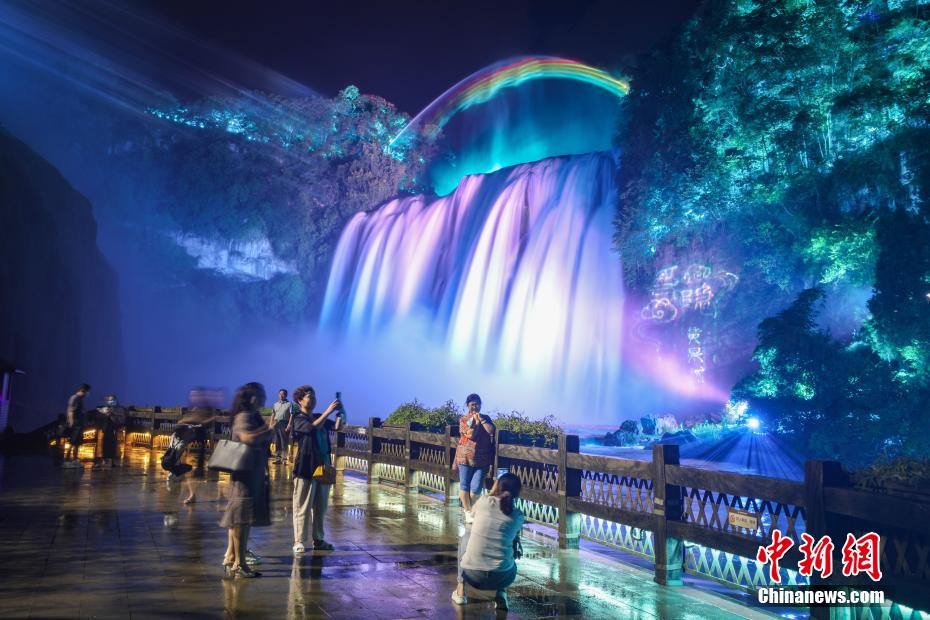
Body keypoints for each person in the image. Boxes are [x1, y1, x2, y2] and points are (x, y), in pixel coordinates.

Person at [221, 382, 272, 578]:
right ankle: (240, 564)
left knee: (239, 518)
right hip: (246, 474)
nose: (263, 398)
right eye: (261, 394)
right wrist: (266, 432)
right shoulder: (245, 416)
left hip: (249, 472)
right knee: (242, 518)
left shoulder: (251, 415)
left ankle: (232, 558)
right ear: (252, 397)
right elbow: (245, 438)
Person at [452, 472, 524, 610]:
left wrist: (492, 491)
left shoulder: (484, 502)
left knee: (467, 536)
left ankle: (460, 590)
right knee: (510, 541)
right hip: (503, 577)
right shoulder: (518, 516)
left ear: (498, 486)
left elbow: (472, 516)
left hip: (473, 576)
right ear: (517, 493)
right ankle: (501, 593)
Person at [288, 385, 344, 554]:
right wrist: (328, 411)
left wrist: (340, 413)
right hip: (306, 467)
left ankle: (318, 539)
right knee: (302, 505)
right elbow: (311, 428)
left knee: (321, 507)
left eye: (313, 397)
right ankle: (298, 541)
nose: (312, 400)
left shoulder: (319, 416)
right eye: (308, 397)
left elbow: (336, 427)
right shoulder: (298, 418)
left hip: (323, 466)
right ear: (300, 400)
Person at [455, 393, 495, 522]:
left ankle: (471, 510)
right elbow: (470, 435)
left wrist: (481, 420)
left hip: (482, 459)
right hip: (464, 457)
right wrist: (475, 423)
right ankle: (468, 512)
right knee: (464, 486)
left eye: (477, 404)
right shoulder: (463, 419)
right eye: (472, 404)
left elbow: (491, 431)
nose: (475, 407)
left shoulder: (486, 418)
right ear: (467, 405)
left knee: (476, 488)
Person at [178, 391, 218, 503]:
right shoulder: (193, 409)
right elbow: (184, 421)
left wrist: (195, 421)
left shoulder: (205, 408)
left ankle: (192, 495)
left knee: (195, 470)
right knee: (187, 470)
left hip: (198, 444)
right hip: (188, 444)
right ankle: (192, 494)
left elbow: (208, 420)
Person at [63, 383, 90, 468]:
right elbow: (70, 410)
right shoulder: (75, 398)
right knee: (72, 442)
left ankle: (75, 460)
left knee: (77, 443)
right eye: (87, 392)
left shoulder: (79, 399)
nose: (87, 394)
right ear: (84, 391)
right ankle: (67, 461)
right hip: (76, 424)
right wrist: (71, 422)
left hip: (79, 424)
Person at [95, 394, 125, 468]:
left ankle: (112, 462)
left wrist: (111, 413)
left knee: (113, 445)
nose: (110, 401)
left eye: (111, 399)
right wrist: (102, 412)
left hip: (114, 430)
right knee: (104, 445)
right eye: (109, 399)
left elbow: (121, 419)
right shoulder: (105, 407)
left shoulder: (118, 408)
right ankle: (103, 460)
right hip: (105, 429)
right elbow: (99, 416)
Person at [270, 389, 294, 463]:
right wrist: (270, 425)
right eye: (280, 394)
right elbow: (273, 414)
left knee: (284, 441)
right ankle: (278, 458)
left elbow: (292, 414)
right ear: (278, 395)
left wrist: (289, 425)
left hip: (285, 424)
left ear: (286, 395)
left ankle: (284, 458)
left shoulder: (289, 404)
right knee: (277, 441)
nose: (281, 395)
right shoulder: (275, 404)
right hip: (276, 424)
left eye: (283, 394)